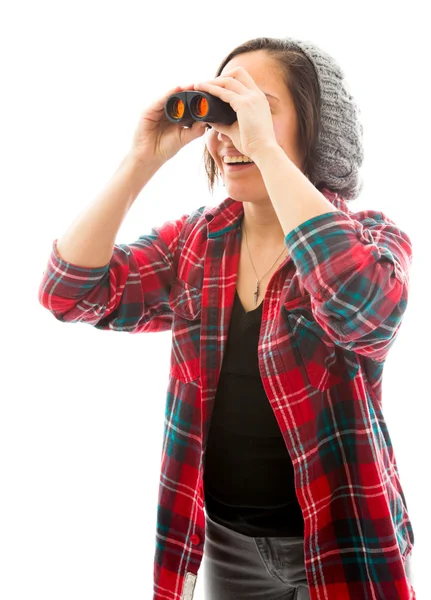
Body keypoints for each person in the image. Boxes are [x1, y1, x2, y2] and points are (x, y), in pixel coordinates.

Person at [38, 36, 416, 600]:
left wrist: (264, 148)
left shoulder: (372, 239)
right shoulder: (198, 244)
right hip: (222, 544)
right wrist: (141, 159)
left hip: (342, 540)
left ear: (315, 130)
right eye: (226, 113)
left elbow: (362, 308)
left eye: (256, 110)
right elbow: (70, 291)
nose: (232, 133)